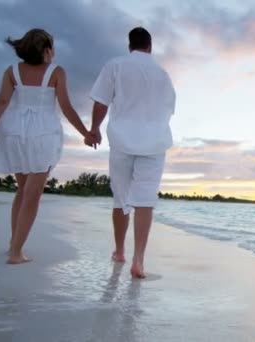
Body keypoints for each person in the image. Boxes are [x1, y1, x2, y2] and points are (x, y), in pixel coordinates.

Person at [0, 28, 91, 264]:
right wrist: (86, 133)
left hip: (15, 132)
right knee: (32, 195)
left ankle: (13, 244)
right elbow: (67, 108)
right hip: (43, 134)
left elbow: (1, 101)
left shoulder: (12, 71)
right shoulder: (56, 72)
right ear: (47, 49)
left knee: (22, 191)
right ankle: (16, 253)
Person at [87, 27, 176, 278]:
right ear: (150, 46)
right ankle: (139, 259)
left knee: (121, 198)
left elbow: (101, 101)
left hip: (123, 141)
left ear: (130, 45)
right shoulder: (163, 74)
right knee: (145, 201)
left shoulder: (116, 65)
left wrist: (94, 129)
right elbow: (169, 109)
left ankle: (119, 251)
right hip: (155, 143)